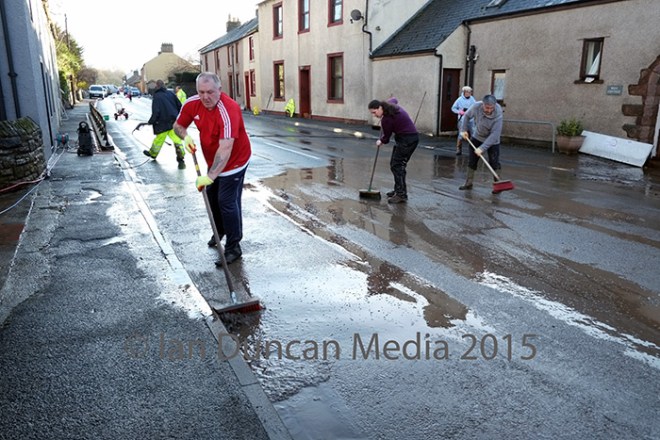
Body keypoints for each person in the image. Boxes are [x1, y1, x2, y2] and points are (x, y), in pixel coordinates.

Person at [173, 72, 251, 265]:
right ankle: (220, 230)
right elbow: (178, 126)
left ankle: (234, 247)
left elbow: (225, 149)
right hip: (213, 160)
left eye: (210, 92)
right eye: (201, 92)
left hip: (235, 161)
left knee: (226, 200)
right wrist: (186, 138)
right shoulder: (192, 103)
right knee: (211, 196)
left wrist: (209, 176)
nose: (206, 97)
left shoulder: (229, 109)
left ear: (219, 90)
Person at [367, 98, 419, 204]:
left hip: (407, 139)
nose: (374, 115)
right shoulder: (389, 106)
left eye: (374, 112)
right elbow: (394, 99)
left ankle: (401, 195)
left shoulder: (386, 119)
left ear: (380, 108)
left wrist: (380, 141)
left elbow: (386, 139)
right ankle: (398, 190)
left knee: (397, 165)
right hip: (407, 138)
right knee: (395, 164)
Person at [458, 94, 504, 194]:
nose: (489, 110)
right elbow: (466, 116)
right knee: (472, 161)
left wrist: (482, 148)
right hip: (477, 136)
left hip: (493, 141)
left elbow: (495, 134)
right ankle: (468, 183)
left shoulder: (498, 113)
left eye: (491, 108)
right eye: (487, 107)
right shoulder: (476, 106)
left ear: (494, 105)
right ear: (483, 104)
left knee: (494, 162)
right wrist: (464, 130)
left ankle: (498, 185)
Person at [143, 80, 186, 169]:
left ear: (157, 86)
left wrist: (151, 121)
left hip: (162, 123)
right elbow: (179, 106)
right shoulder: (171, 94)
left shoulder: (157, 96)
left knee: (158, 140)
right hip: (173, 121)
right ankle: (181, 156)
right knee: (177, 139)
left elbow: (156, 111)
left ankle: (153, 154)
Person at [451, 86, 476, 155]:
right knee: (461, 134)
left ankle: (473, 149)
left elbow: (476, 107)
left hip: (471, 120)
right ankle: (458, 148)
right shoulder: (459, 100)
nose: (469, 93)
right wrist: (459, 112)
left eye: (470, 92)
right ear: (464, 92)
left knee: (474, 133)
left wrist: (472, 112)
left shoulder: (472, 99)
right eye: (467, 92)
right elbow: (453, 108)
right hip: (462, 119)